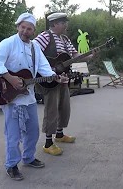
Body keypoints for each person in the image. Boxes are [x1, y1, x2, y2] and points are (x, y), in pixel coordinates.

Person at [0, 13, 67, 181]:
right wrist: (10, 78)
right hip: (11, 96)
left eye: (29, 28)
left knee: (33, 131)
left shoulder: (34, 47)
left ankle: (28, 158)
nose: (25, 31)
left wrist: (55, 76)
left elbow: (44, 67)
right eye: (22, 27)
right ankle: (11, 165)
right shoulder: (8, 43)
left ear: (33, 31)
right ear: (18, 27)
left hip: (28, 96)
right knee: (13, 134)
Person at [34, 12, 93, 156]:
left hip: (63, 79)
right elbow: (33, 51)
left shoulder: (65, 39)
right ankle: (48, 143)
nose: (65, 25)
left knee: (64, 107)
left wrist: (90, 56)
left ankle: (59, 135)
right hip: (49, 80)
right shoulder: (45, 36)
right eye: (63, 22)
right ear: (54, 24)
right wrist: (47, 70)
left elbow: (74, 55)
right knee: (51, 109)